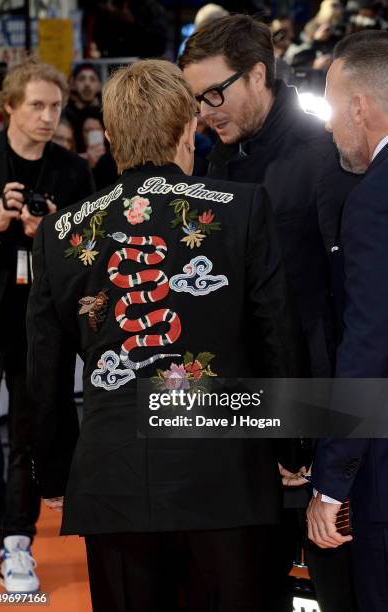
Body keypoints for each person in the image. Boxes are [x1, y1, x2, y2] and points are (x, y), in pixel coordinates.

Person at [27, 58, 304, 612]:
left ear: (109, 137)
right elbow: (277, 335)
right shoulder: (242, 207)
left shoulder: (60, 233)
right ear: (187, 129)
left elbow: (45, 368)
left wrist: (54, 470)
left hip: (113, 478)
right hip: (225, 476)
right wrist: (292, 449)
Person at [179, 15, 360, 611]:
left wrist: (326, 437)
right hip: (246, 414)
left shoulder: (324, 155)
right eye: (195, 99)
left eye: (214, 93)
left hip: (318, 412)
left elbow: (345, 305)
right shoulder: (216, 161)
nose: (205, 111)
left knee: (334, 581)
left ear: (258, 74)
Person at [0, 59, 94, 593]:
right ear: (9, 107)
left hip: (39, 321)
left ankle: (18, 539)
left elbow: (91, 252)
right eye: (38, 106)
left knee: (29, 432)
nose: (49, 116)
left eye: (56, 106)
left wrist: (47, 232)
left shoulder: (73, 172)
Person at [307, 30, 388, 612]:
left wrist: (332, 482)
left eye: (334, 109)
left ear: (359, 106)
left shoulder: (373, 202)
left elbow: (367, 348)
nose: (331, 126)